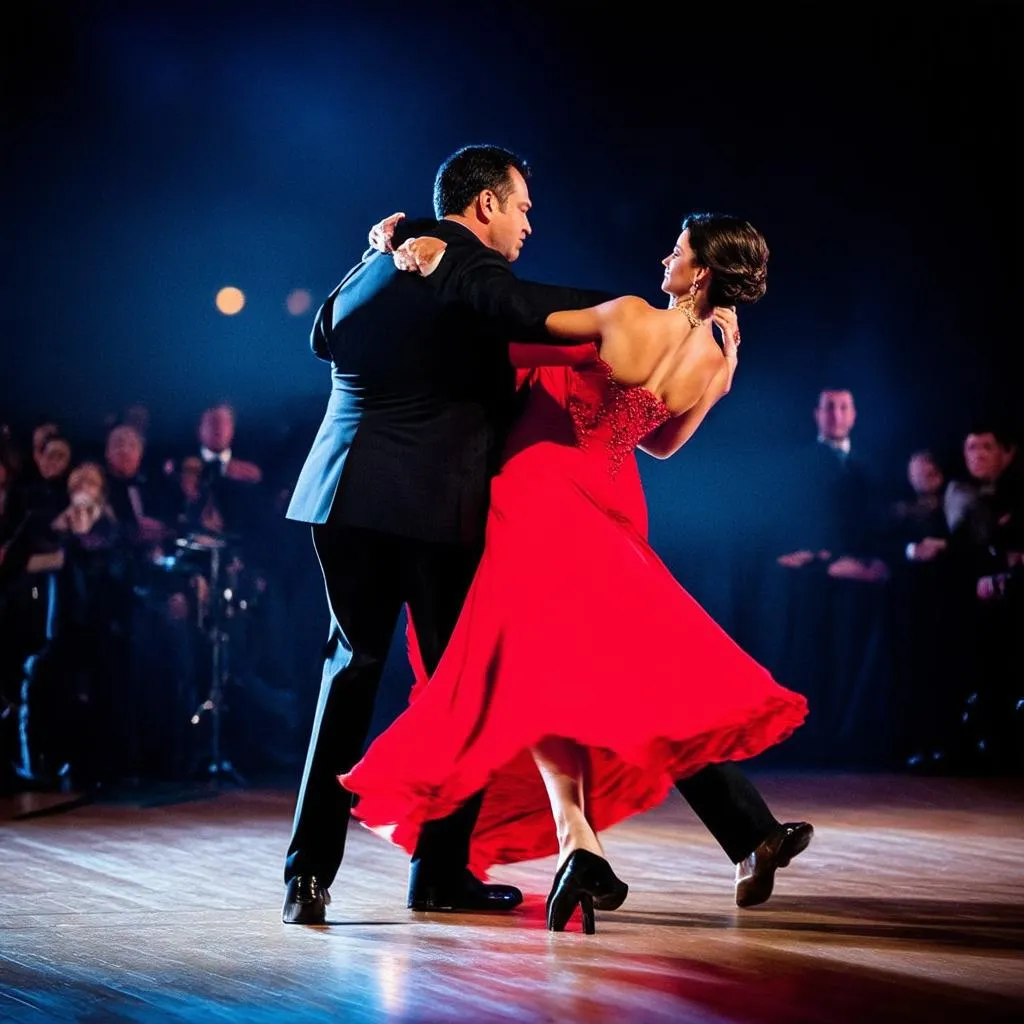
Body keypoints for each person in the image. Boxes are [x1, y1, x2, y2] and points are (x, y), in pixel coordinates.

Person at [340, 213, 809, 933]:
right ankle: (617, 845)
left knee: (533, 679)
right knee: (588, 679)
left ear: (703, 272)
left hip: (537, 493)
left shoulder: (626, 315)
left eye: (677, 252)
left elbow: (507, 325)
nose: (665, 258)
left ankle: (584, 847)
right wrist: (723, 380)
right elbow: (662, 447)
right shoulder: (716, 363)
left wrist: (436, 264)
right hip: (612, 503)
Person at [281, 145, 614, 924]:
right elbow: (533, 307)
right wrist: (639, 312)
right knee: (462, 692)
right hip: (431, 511)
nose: (531, 222)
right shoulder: (461, 267)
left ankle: (306, 878)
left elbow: (323, 337)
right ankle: (438, 874)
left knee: (349, 675)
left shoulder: (381, 262)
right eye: (523, 206)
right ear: (486, 205)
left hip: (340, 499)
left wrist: (374, 253)